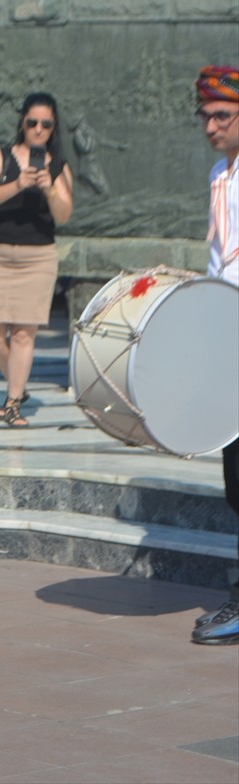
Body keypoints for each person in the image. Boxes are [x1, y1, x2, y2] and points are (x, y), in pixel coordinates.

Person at [0, 93, 74, 427]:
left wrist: (49, 189)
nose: (38, 130)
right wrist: (18, 184)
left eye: (46, 124)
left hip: (37, 258)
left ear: (53, 127)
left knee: (23, 334)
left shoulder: (57, 165)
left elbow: (64, 214)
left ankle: (13, 402)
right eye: (32, 123)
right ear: (23, 122)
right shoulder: (2, 157)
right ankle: (20, 382)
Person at [191, 65, 239, 646]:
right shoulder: (219, 174)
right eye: (204, 117)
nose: (210, 126)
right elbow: (219, 260)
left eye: (222, 116)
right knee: (235, 483)